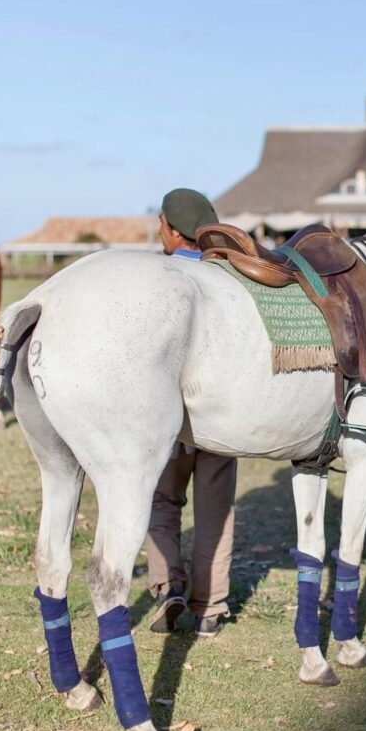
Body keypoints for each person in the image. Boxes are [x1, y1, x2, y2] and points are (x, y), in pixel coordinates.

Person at [145, 188, 238, 638]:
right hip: (220, 413)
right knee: (215, 510)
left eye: (160, 222)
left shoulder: (155, 277)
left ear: (174, 229)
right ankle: (210, 610)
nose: (157, 229)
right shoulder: (229, 279)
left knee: (161, 502)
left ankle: (168, 586)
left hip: (167, 416)